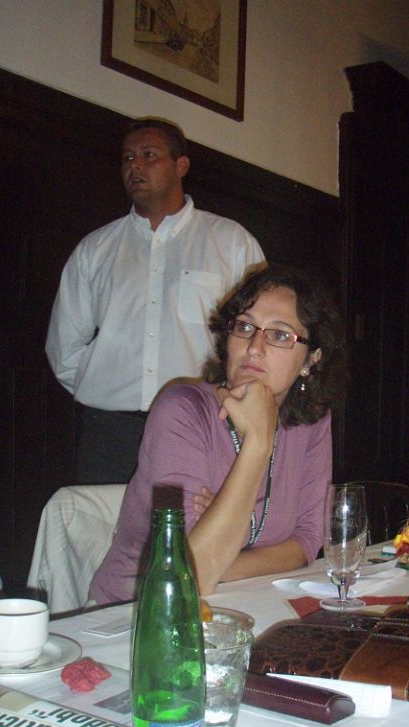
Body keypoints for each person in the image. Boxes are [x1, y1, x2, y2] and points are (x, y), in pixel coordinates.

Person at [89, 264, 347, 602]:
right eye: (245, 326)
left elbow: (307, 542)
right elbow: (190, 577)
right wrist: (258, 444)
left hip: (247, 601)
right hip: (139, 612)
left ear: (311, 359)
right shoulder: (182, 411)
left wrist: (221, 543)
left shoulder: (311, 419)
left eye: (280, 335)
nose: (254, 347)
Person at [46, 118, 265, 484]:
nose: (135, 165)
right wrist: (109, 384)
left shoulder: (231, 244)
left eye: (149, 155)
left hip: (198, 424)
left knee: (192, 521)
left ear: (181, 166)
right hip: (109, 433)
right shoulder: (95, 250)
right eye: (127, 157)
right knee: (106, 520)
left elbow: (259, 336)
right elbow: (64, 348)